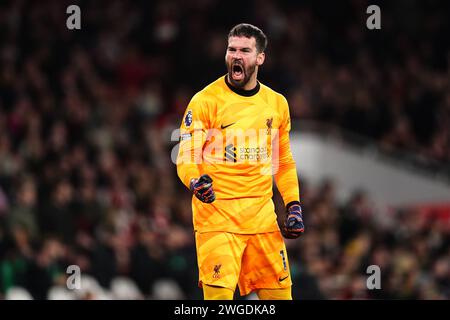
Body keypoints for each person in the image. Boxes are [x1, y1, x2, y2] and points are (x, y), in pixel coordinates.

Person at [176, 23, 304, 300]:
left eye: (245, 50)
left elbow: (282, 161)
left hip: (263, 220)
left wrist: (293, 205)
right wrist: (196, 182)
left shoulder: (277, 104)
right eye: (231, 49)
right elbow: (186, 156)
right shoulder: (204, 101)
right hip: (217, 219)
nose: (236, 55)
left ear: (260, 58)